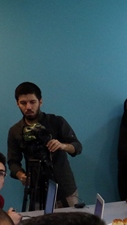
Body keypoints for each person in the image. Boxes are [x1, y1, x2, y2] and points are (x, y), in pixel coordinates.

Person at [7, 81, 83, 209]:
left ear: (40, 101)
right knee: (39, 221)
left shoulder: (56, 122)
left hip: (64, 187)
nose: (28, 107)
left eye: (32, 102)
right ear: (17, 104)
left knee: (72, 221)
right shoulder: (15, 130)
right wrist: (21, 175)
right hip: (37, 190)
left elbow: (77, 147)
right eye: (23, 103)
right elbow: (12, 161)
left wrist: (62, 146)